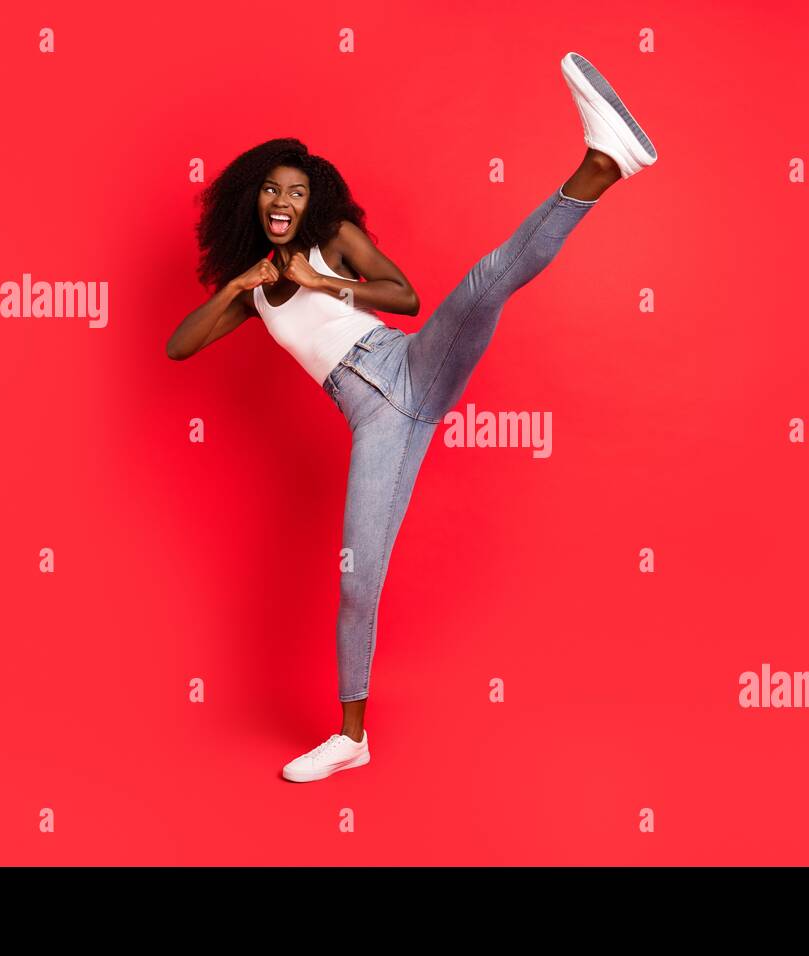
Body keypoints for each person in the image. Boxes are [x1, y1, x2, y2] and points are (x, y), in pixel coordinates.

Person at [166, 51, 658, 782]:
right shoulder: (255, 293)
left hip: (412, 365)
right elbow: (180, 346)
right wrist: (245, 280)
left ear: (312, 202)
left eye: (296, 192)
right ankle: (351, 739)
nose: (283, 200)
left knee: (486, 282)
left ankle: (601, 163)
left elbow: (405, 297)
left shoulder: (331, 239)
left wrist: (324, 284)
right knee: (359, 579)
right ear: (253, 201)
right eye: (271, 189)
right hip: (377, 422)